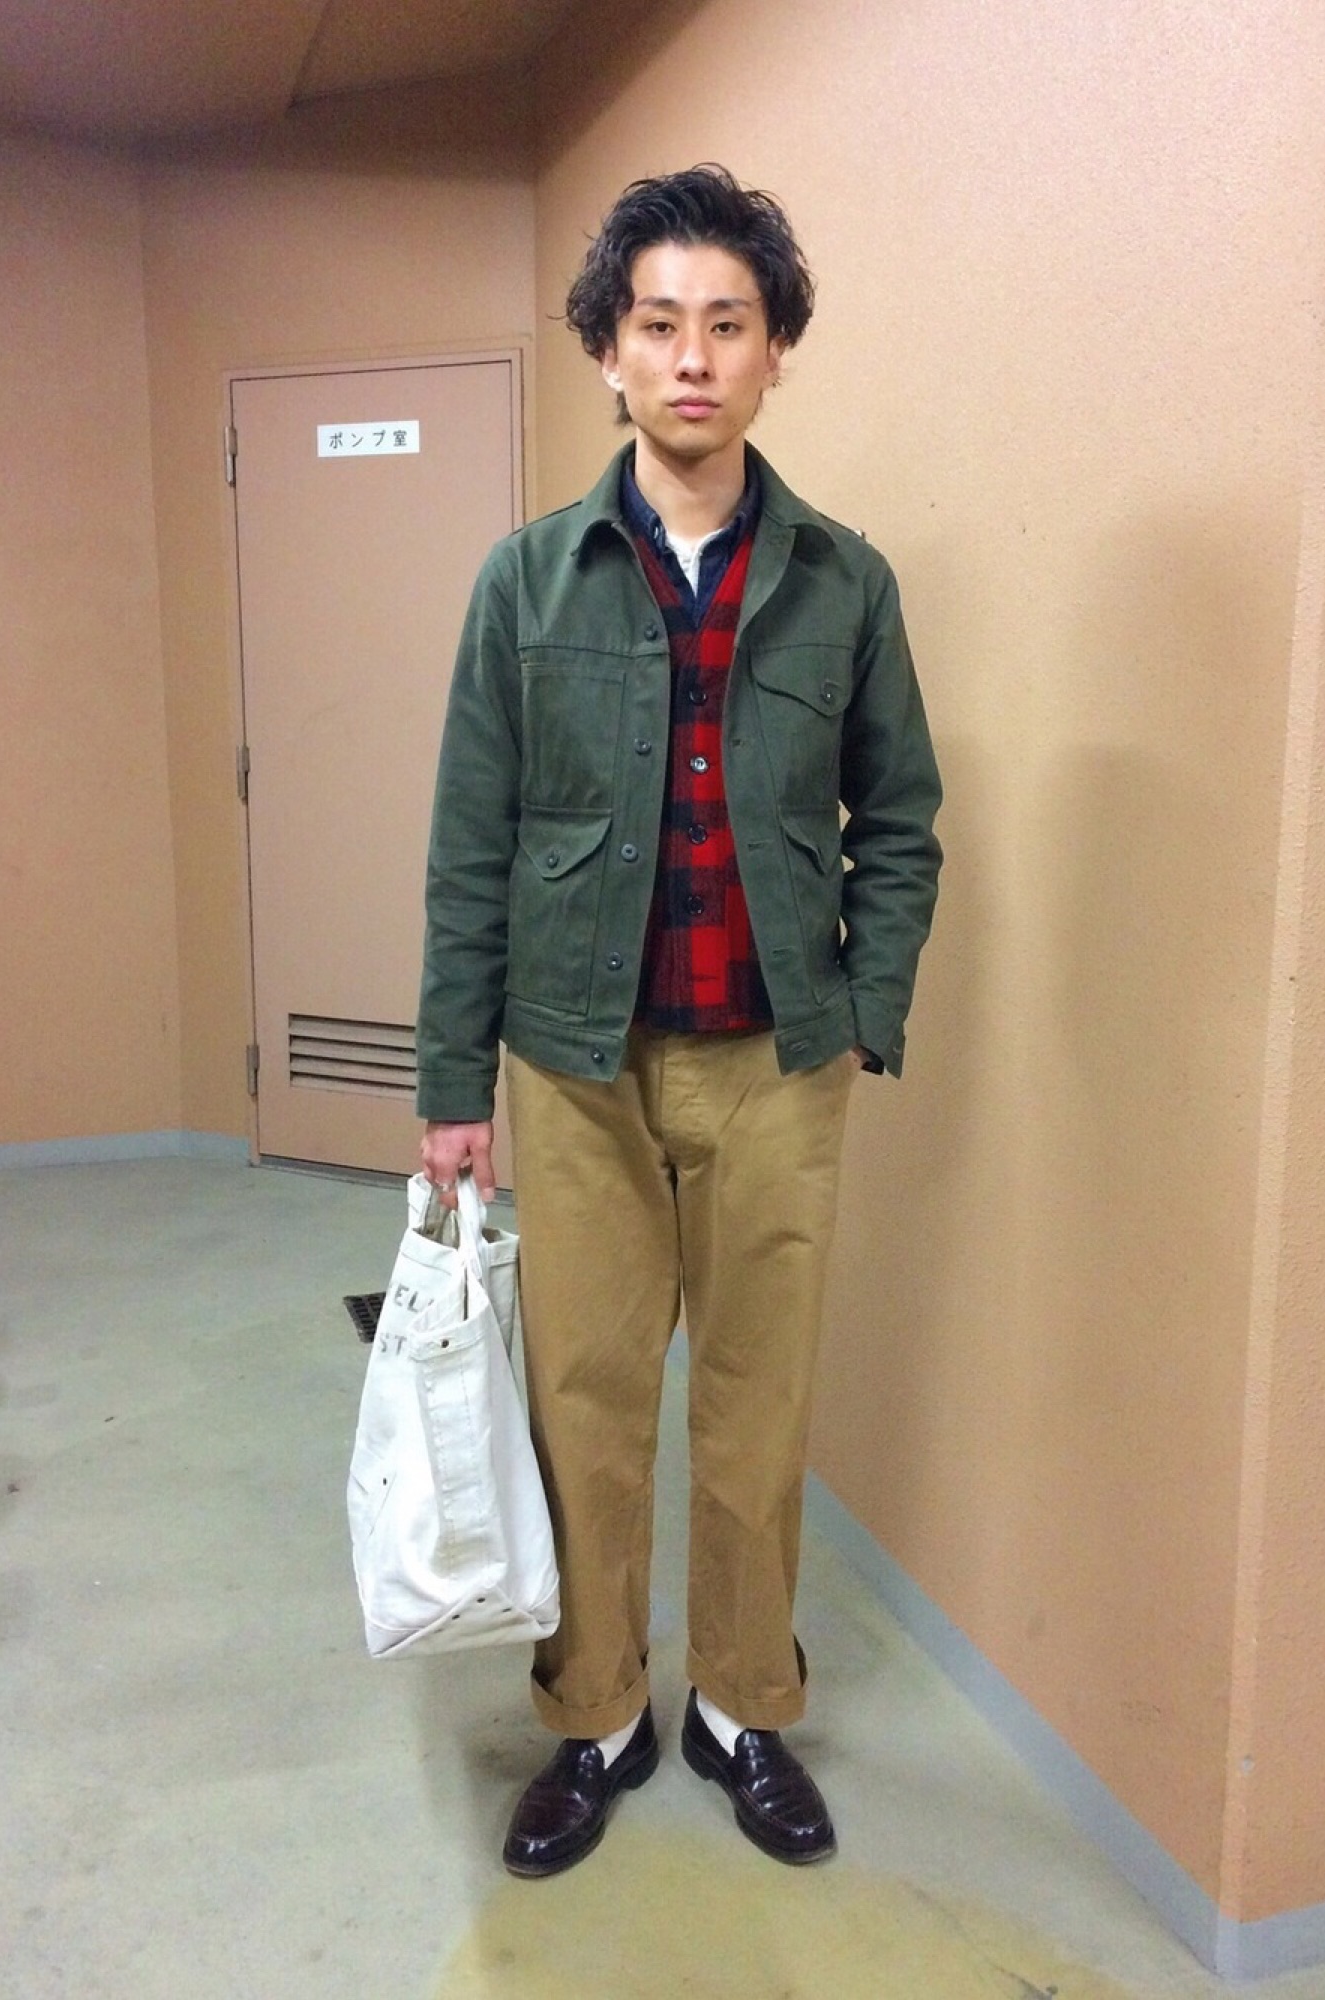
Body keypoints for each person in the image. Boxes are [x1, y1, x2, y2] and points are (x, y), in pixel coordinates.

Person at [416, 164, 941, 1878]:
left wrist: (863, 1007)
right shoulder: (527, 581)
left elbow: (902, 820)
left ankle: (738, 1707)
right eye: (660, 324)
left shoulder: (845, 584)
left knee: (756, 1408)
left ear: (776, 351)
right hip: (574, 1067)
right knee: (582, 1405)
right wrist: (453, 1081)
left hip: (779, 1062)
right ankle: (597, 1719)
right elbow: (471, 844)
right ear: (610, 351)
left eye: (729, 323)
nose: (693, 357)